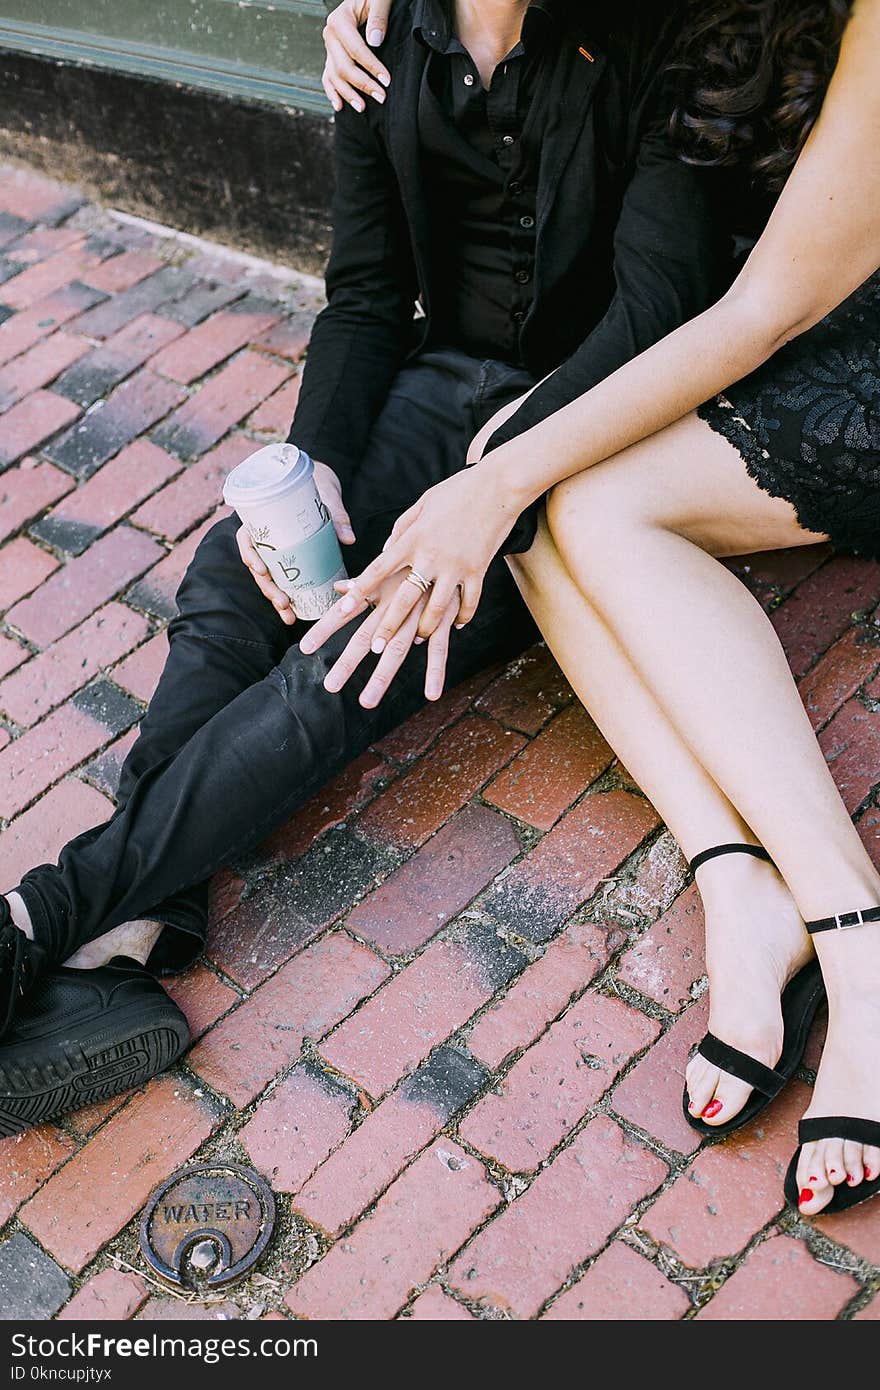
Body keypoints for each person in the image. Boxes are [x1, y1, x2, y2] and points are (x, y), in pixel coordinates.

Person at [0, 1, 724, 1135]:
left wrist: (496, 483)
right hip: (438, 387)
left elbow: (654, 311)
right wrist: (322, 467)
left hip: (578, 441)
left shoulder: (665, 42)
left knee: (354, 648)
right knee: (233, 581)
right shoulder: (381, 43)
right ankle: (127, 939)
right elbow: (369, 296)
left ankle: (44, 917)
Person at [308, 0, 880, 1217]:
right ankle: (739, 888)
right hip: (765, 312)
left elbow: (769, 305)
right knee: (530, 462)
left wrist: (495, 479)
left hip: (824, 328)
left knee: (542, 482)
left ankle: (854, 932)